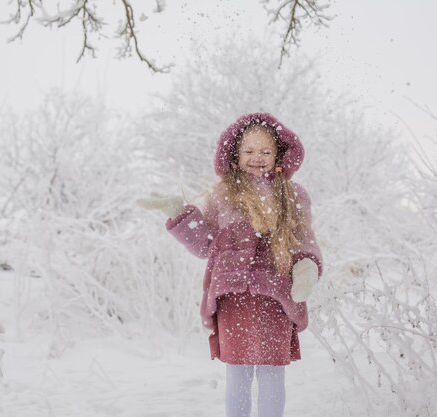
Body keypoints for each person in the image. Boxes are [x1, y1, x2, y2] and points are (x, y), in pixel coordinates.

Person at [138, 112, 323, 417]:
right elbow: (206, 244)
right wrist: (179, 214)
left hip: (275, 298)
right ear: (236, 153)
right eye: (249, 151)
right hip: (233, 299)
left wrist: (307, 267)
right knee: (237, 374)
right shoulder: (223, 195)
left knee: (271, 374)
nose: (257, 158)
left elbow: (304, 240)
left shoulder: (293, 195)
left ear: (278, 154)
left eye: (265, 151)